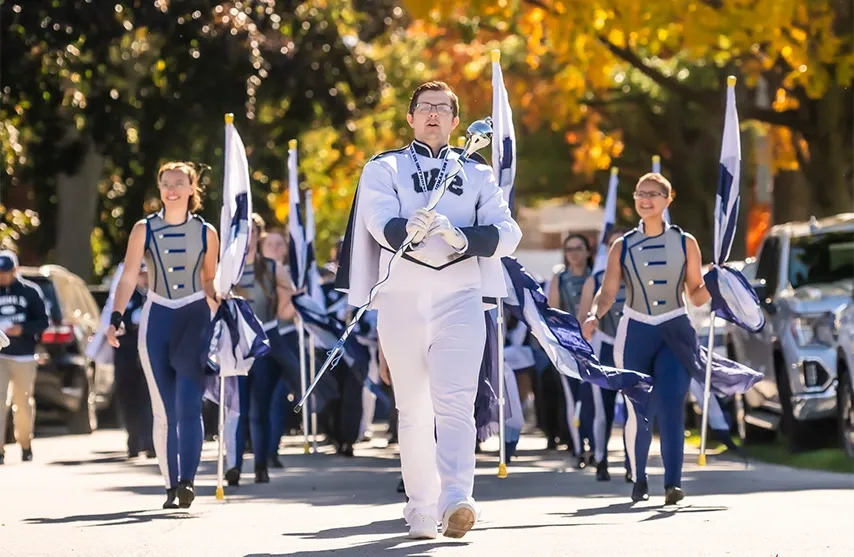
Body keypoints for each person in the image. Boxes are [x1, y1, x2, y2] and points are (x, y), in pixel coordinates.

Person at [335, 81, 522, 539]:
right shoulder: (385, 167)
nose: (433, 115)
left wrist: (461, 236)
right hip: (401, 297)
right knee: (414, 408)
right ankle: (420, 505)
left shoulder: (477, 173)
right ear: (411, 117)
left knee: (456, 402)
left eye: (443, 108)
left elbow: (508, 232)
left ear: (457, 122)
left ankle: (457, 498)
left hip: (459, 295)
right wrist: (407, 230)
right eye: (425, 108)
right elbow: (377, 222)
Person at [582, 172, 708, 505]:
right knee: (638, 409)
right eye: (640, 193)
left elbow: (696, 295)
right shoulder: (622, 246)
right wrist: (595, 314)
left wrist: (719, 286)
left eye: (654, 194)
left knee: (671, 405)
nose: (646, 199)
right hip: (636, 329)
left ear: (668, 199)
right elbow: (607, 292)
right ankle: (639, 478)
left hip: (676, 330)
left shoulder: (685, 242)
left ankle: (673, 484)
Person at [107, 161, 219, 509]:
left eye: (179, 183)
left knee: (189, 404)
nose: (171, 189)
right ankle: (171, 484)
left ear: (191, 189)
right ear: (159, 190)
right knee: (165, 410)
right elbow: (128, 277)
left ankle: (187, 482)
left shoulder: (206, 232)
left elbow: (208, 279)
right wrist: (115, 317)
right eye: (165, 183)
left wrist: (223, 306)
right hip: (157, 319)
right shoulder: (144, 229)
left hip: (195, 317)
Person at [225, 214, 298, 486]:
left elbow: (285, 309)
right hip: (235, 346)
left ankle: (261, 464)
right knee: (237, 408)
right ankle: (233, 466)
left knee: (260, 409)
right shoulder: (227, 269)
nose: (249, 237)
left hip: (265, 345)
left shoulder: (271, 268)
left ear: (259, 234)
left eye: (253, 232)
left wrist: (296, 300)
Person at [576, 227, 628, 481]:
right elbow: (583, 320)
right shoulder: (595, 280)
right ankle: (602, 459)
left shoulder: (639, 277)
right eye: (611, 244)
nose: (616, 247)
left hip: (632, 347)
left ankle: (633, 464)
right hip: (604, 347)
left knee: (633, 407)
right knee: (603, 409)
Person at [546, 234, 593, 464]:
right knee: (572, 398)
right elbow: (552, 310)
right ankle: (578, 446)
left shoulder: (594, 277)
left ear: (588, 251)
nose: (574, 253)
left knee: (592, 398)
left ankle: (595, 445)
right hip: (568, 346)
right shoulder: (560, 278)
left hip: (592, 345)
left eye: (579, 248)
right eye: (569, 249)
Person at [0, 250, 49, 465]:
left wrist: (23, 329)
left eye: (6, 272)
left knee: (23, 402)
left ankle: (25, 443)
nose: (2, 276)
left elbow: (43, 322)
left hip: (24, 356)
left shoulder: (30, 291)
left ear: (15, 270)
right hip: (1, 355)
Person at [113, 262, 155, 459]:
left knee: (150, 397)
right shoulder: (126, 296)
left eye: (146, 274)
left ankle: (150, 441)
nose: (143, 279)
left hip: (149, 350)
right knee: (128, 396)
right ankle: (133, 440)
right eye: (140, 275)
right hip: (128, 352)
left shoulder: (155, 295)